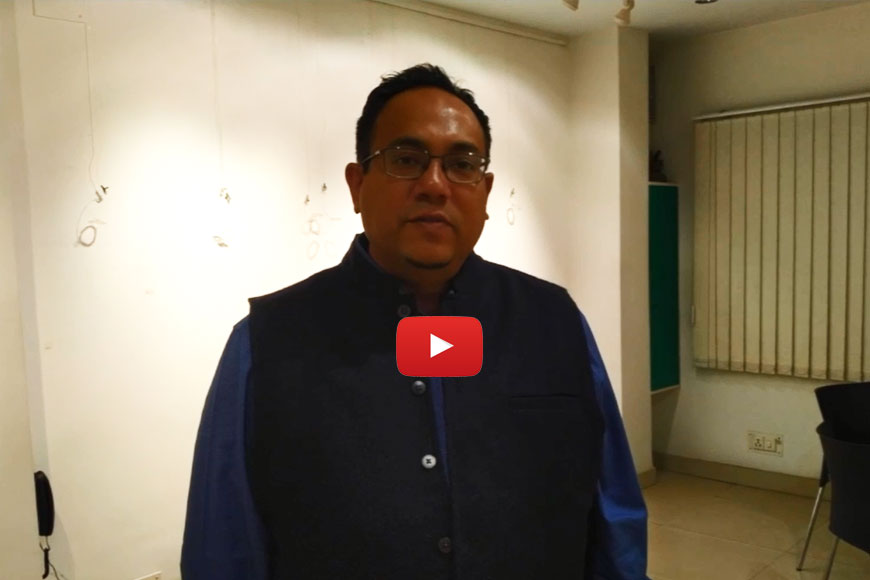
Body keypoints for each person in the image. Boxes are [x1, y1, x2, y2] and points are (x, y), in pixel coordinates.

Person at [181, 63, 650, 580]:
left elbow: (616, 522)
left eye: (462, 165)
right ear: (357, 185)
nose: (435, 185)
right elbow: (222, 550)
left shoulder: (556, 323)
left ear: (485, 191)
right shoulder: (265, 345)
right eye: (406, 160)